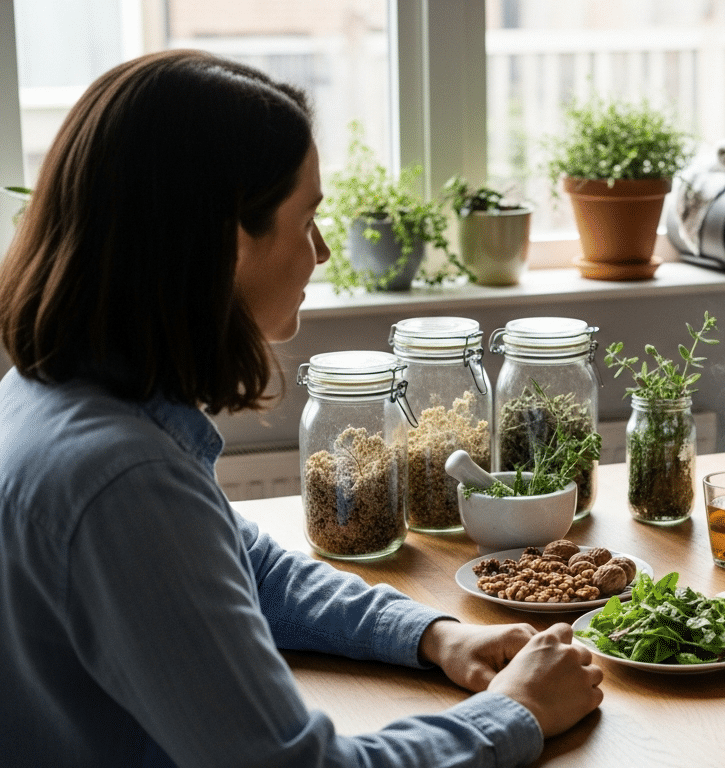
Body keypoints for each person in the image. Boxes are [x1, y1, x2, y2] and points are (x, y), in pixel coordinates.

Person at [0, 50, 602, 766]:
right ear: (228, 242)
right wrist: (517, 711)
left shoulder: (50, 396)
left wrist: (433, 633)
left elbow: (246, 565)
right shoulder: (124, 483)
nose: (319, 251)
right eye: (306, 218)